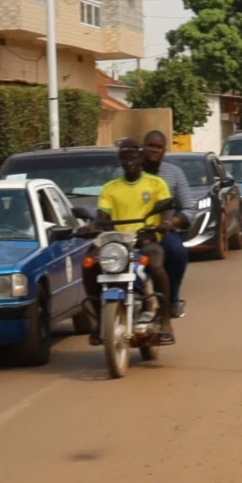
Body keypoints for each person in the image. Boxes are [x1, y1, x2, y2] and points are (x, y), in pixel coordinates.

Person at [94, 138, 175, 345]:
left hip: (145, 239)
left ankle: (165, 320)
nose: (129, 161)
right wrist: (93, 225)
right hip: (116, 243)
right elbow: (103, 215)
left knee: (157, 266)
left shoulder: (155, 183)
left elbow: (166, 207)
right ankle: (99, 320)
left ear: (141, 158)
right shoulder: (110, 188)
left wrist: (165, 222)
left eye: (133, 157)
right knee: (89, 265)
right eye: (124, 157)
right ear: (119, 161)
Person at [139, 131, 192, 319]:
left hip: (163, 232)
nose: (153, 150)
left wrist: (170, 222)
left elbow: (188, 209)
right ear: (142, 147)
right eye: (149, 146)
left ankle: (173, 297)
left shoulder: (174, 173)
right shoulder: (128, 173)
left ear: (164, 151)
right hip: (131, 232)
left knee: (177, 252)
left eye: (158, 147)